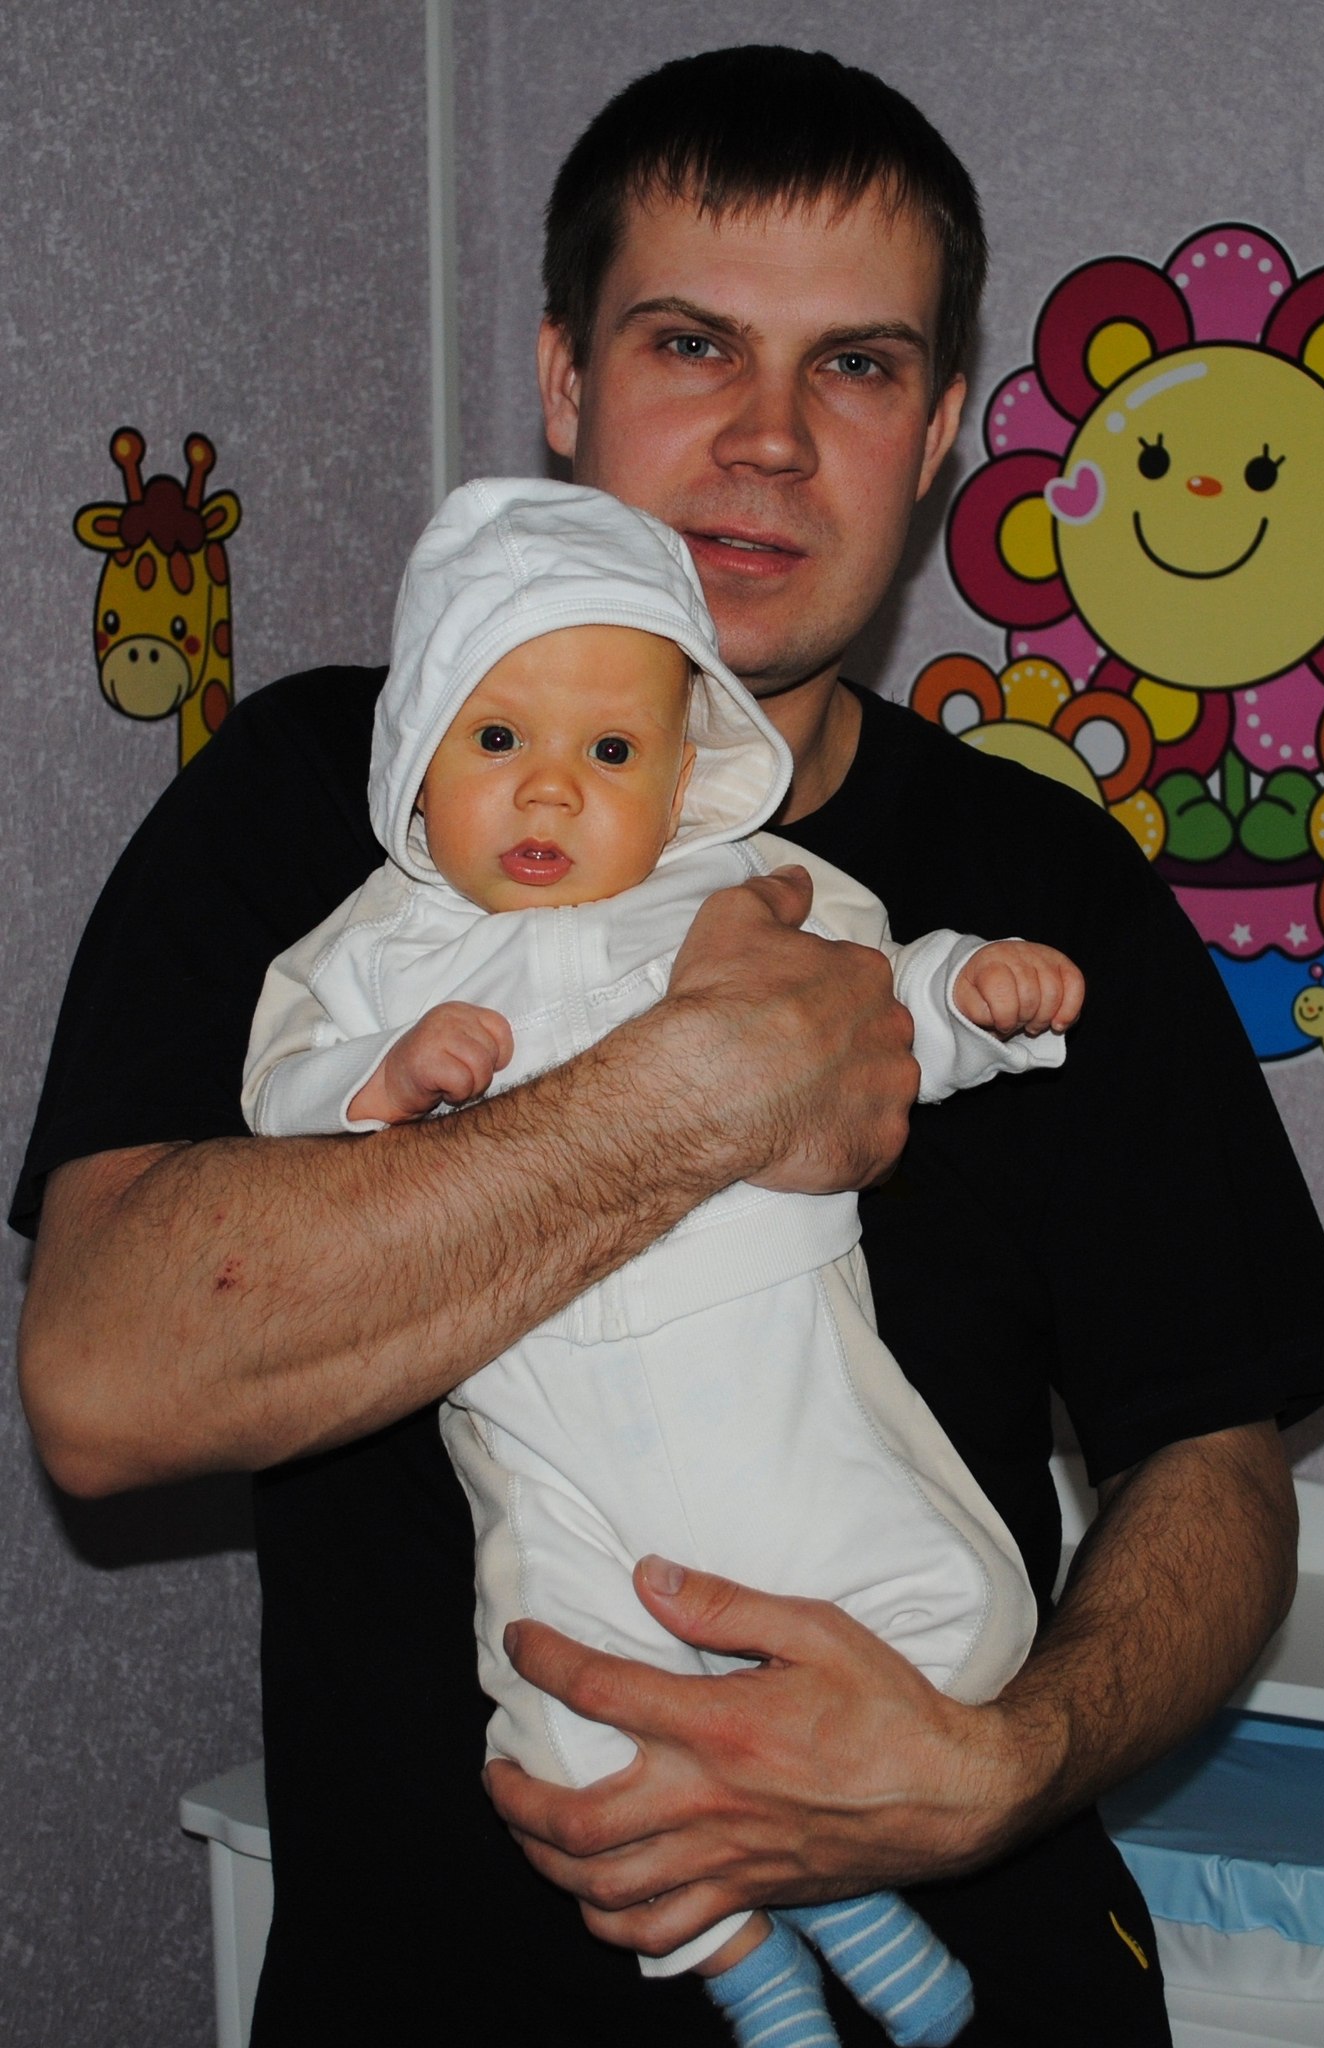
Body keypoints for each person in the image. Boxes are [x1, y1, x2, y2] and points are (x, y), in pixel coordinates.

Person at [13, 45, 1324, 2048]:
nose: (768, 440)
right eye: (691, 344)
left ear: (936, 437)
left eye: (856, 366)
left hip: (988, 1970)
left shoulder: (1039, 885)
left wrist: (1006, 1761)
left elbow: (1219, 1460)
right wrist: (688, 1101)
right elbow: (104, 1386)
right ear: (563, 382)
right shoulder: (317, 805)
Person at [241, 474, 1082, 2045]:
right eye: (498, 739)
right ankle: (747, 1962)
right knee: (561, 1723)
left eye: (610, 753)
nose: (550, 793)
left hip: (771, 1388)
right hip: (546, 1437)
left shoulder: (752, 891)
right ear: (416, 753)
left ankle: (840, 1882)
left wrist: (968, 996)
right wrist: (378, 1079)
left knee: (957, 1627)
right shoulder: (371, 948)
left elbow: (874, 1009)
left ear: (684, 771)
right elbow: (275, 1095)